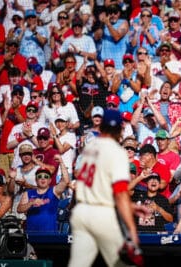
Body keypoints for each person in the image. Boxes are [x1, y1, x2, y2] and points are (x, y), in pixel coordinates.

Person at [68, 109, 147, 267]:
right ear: (119, 129)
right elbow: (120, 194)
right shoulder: (117, 152)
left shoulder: (89, 149)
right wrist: (132, 230)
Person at [17, 155, 70, 233]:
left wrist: (61, 162)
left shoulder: (54, 191)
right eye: (40, 176)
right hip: (31, 234)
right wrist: (31, 203)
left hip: (50, 235)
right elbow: (19, 209)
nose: (43, 178)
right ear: (36, 180)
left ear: (49, 180)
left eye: (46, 176)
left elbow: (66, 181)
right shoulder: (28, 193)